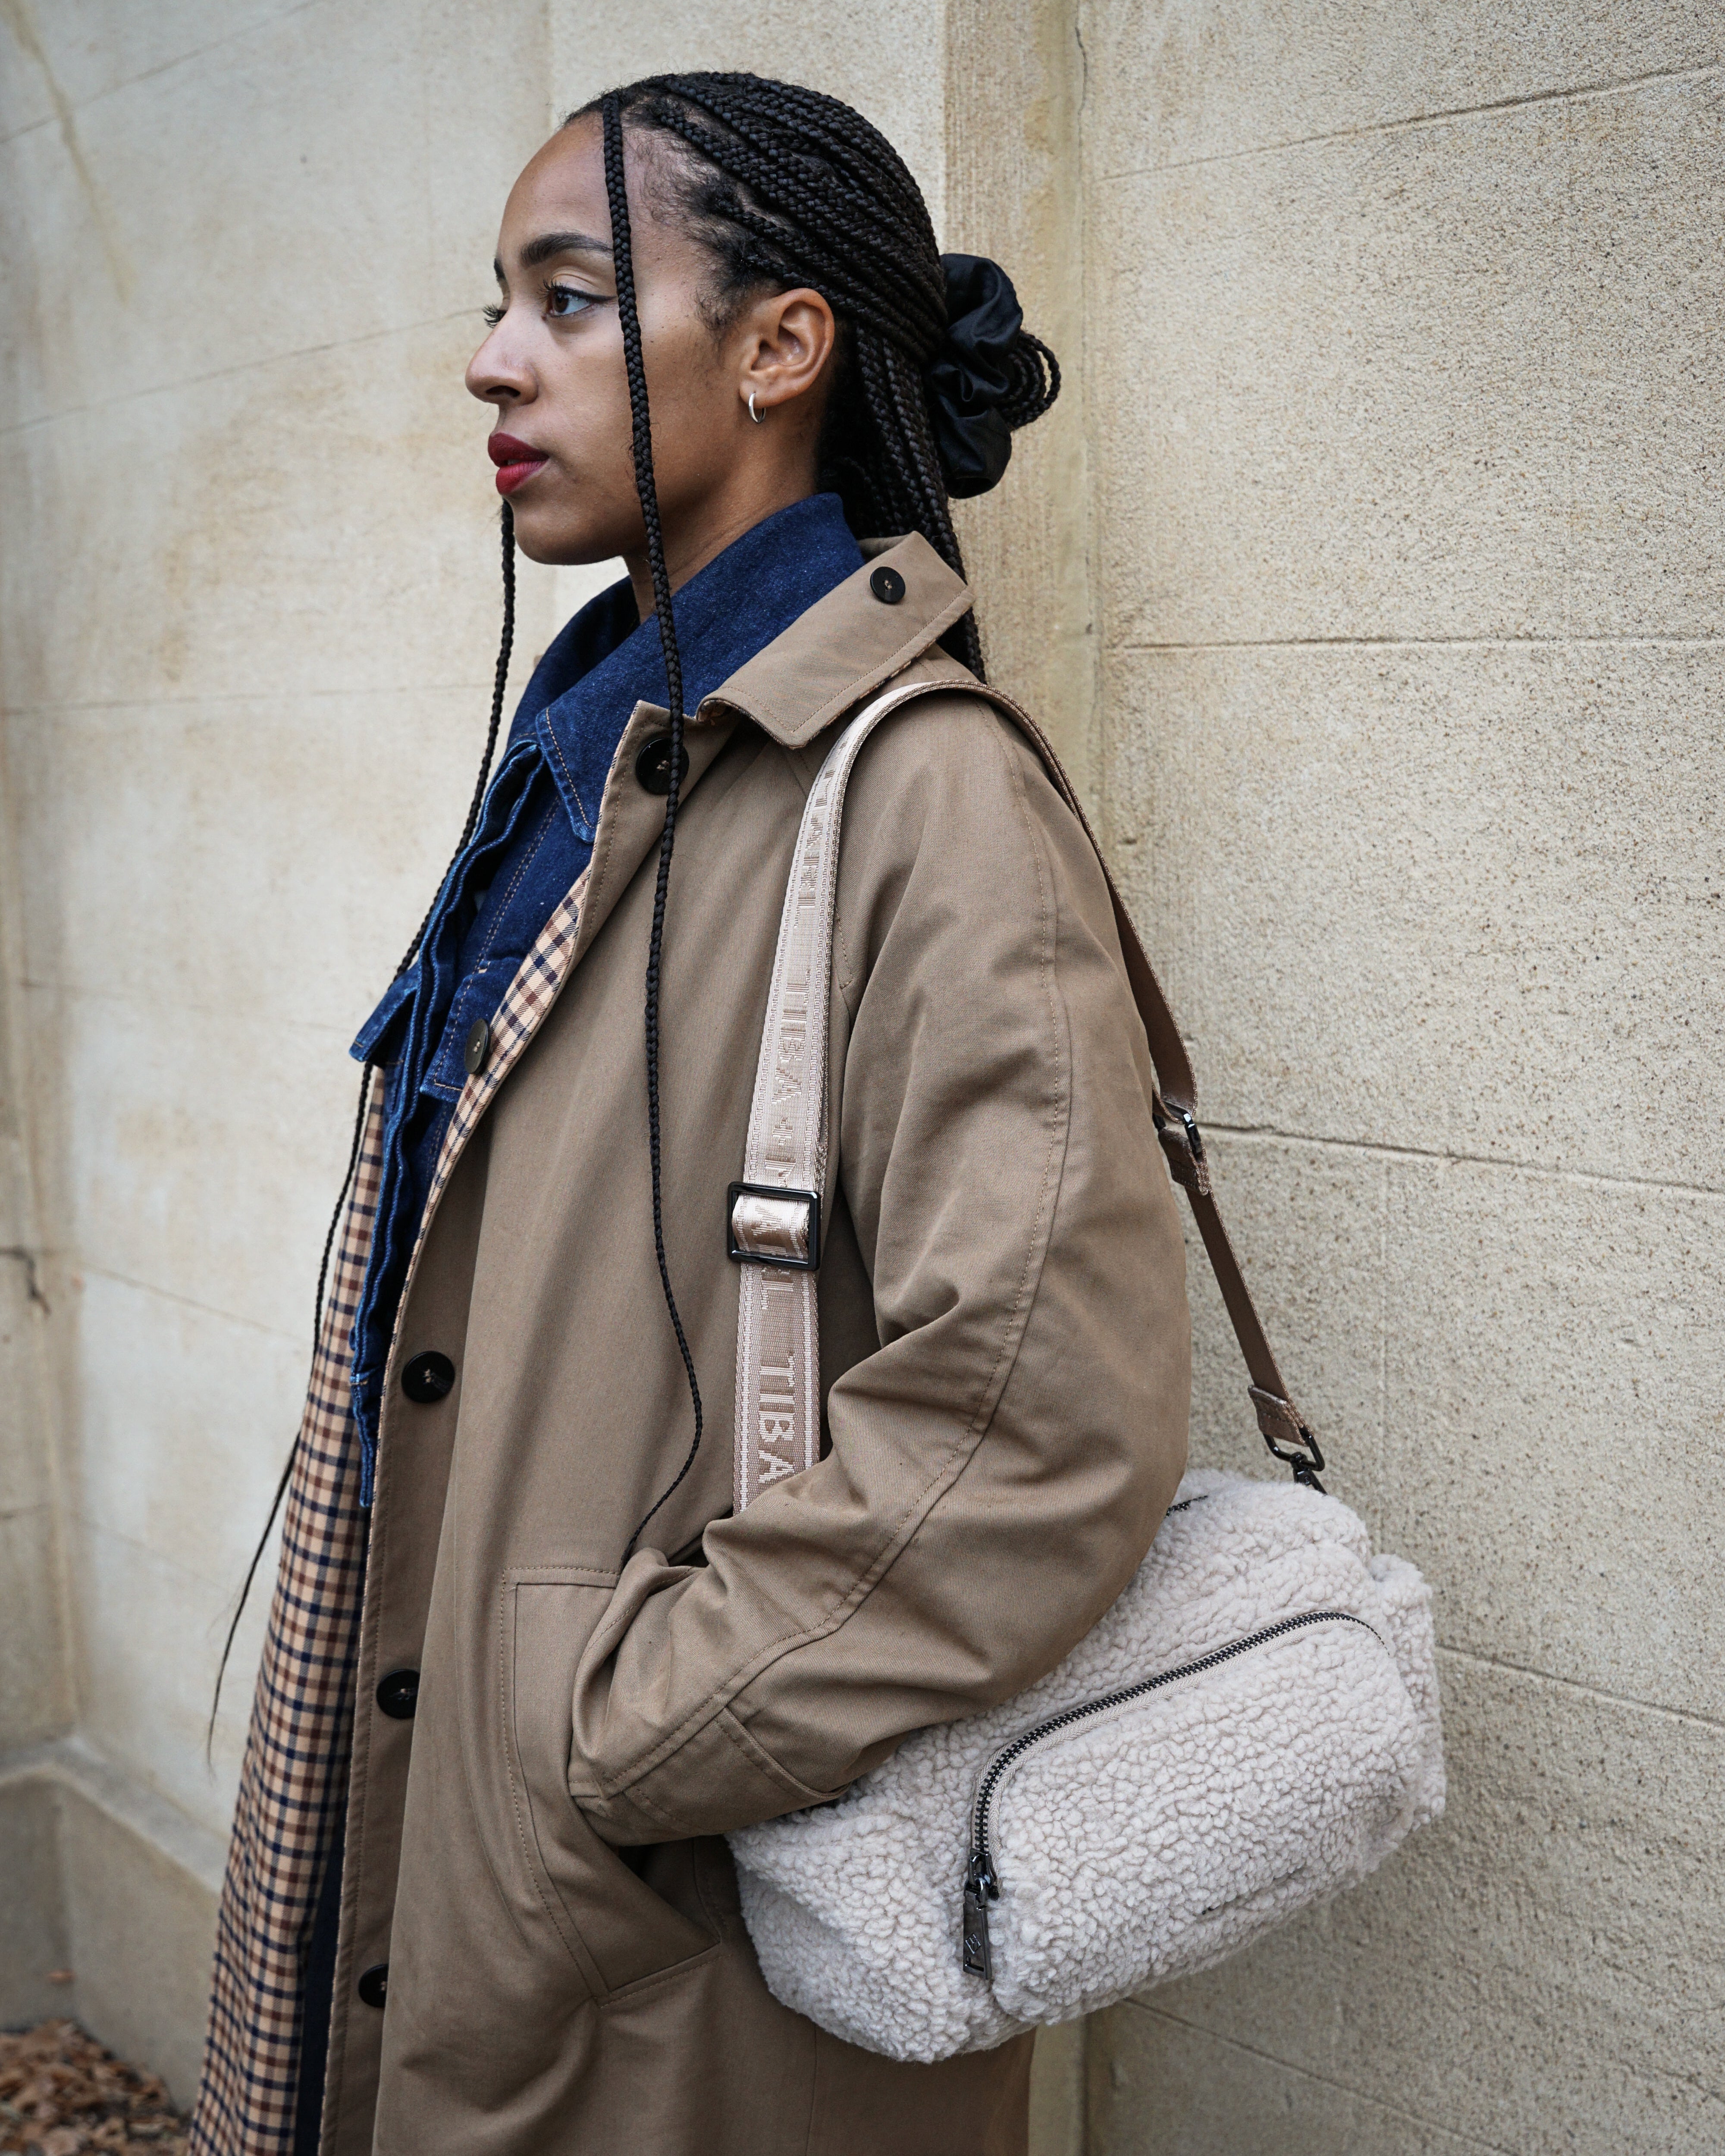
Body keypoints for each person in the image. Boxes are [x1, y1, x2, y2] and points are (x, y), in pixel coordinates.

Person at [192, 72, 1190, 2156]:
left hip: (649, 1923)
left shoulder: (920, 792)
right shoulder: (613, 744)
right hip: (481, 1840)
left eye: (568, 297)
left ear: (780, 343)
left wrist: (601, 1730)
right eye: (500, 299)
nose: (490, 357)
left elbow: (1038, 1418)